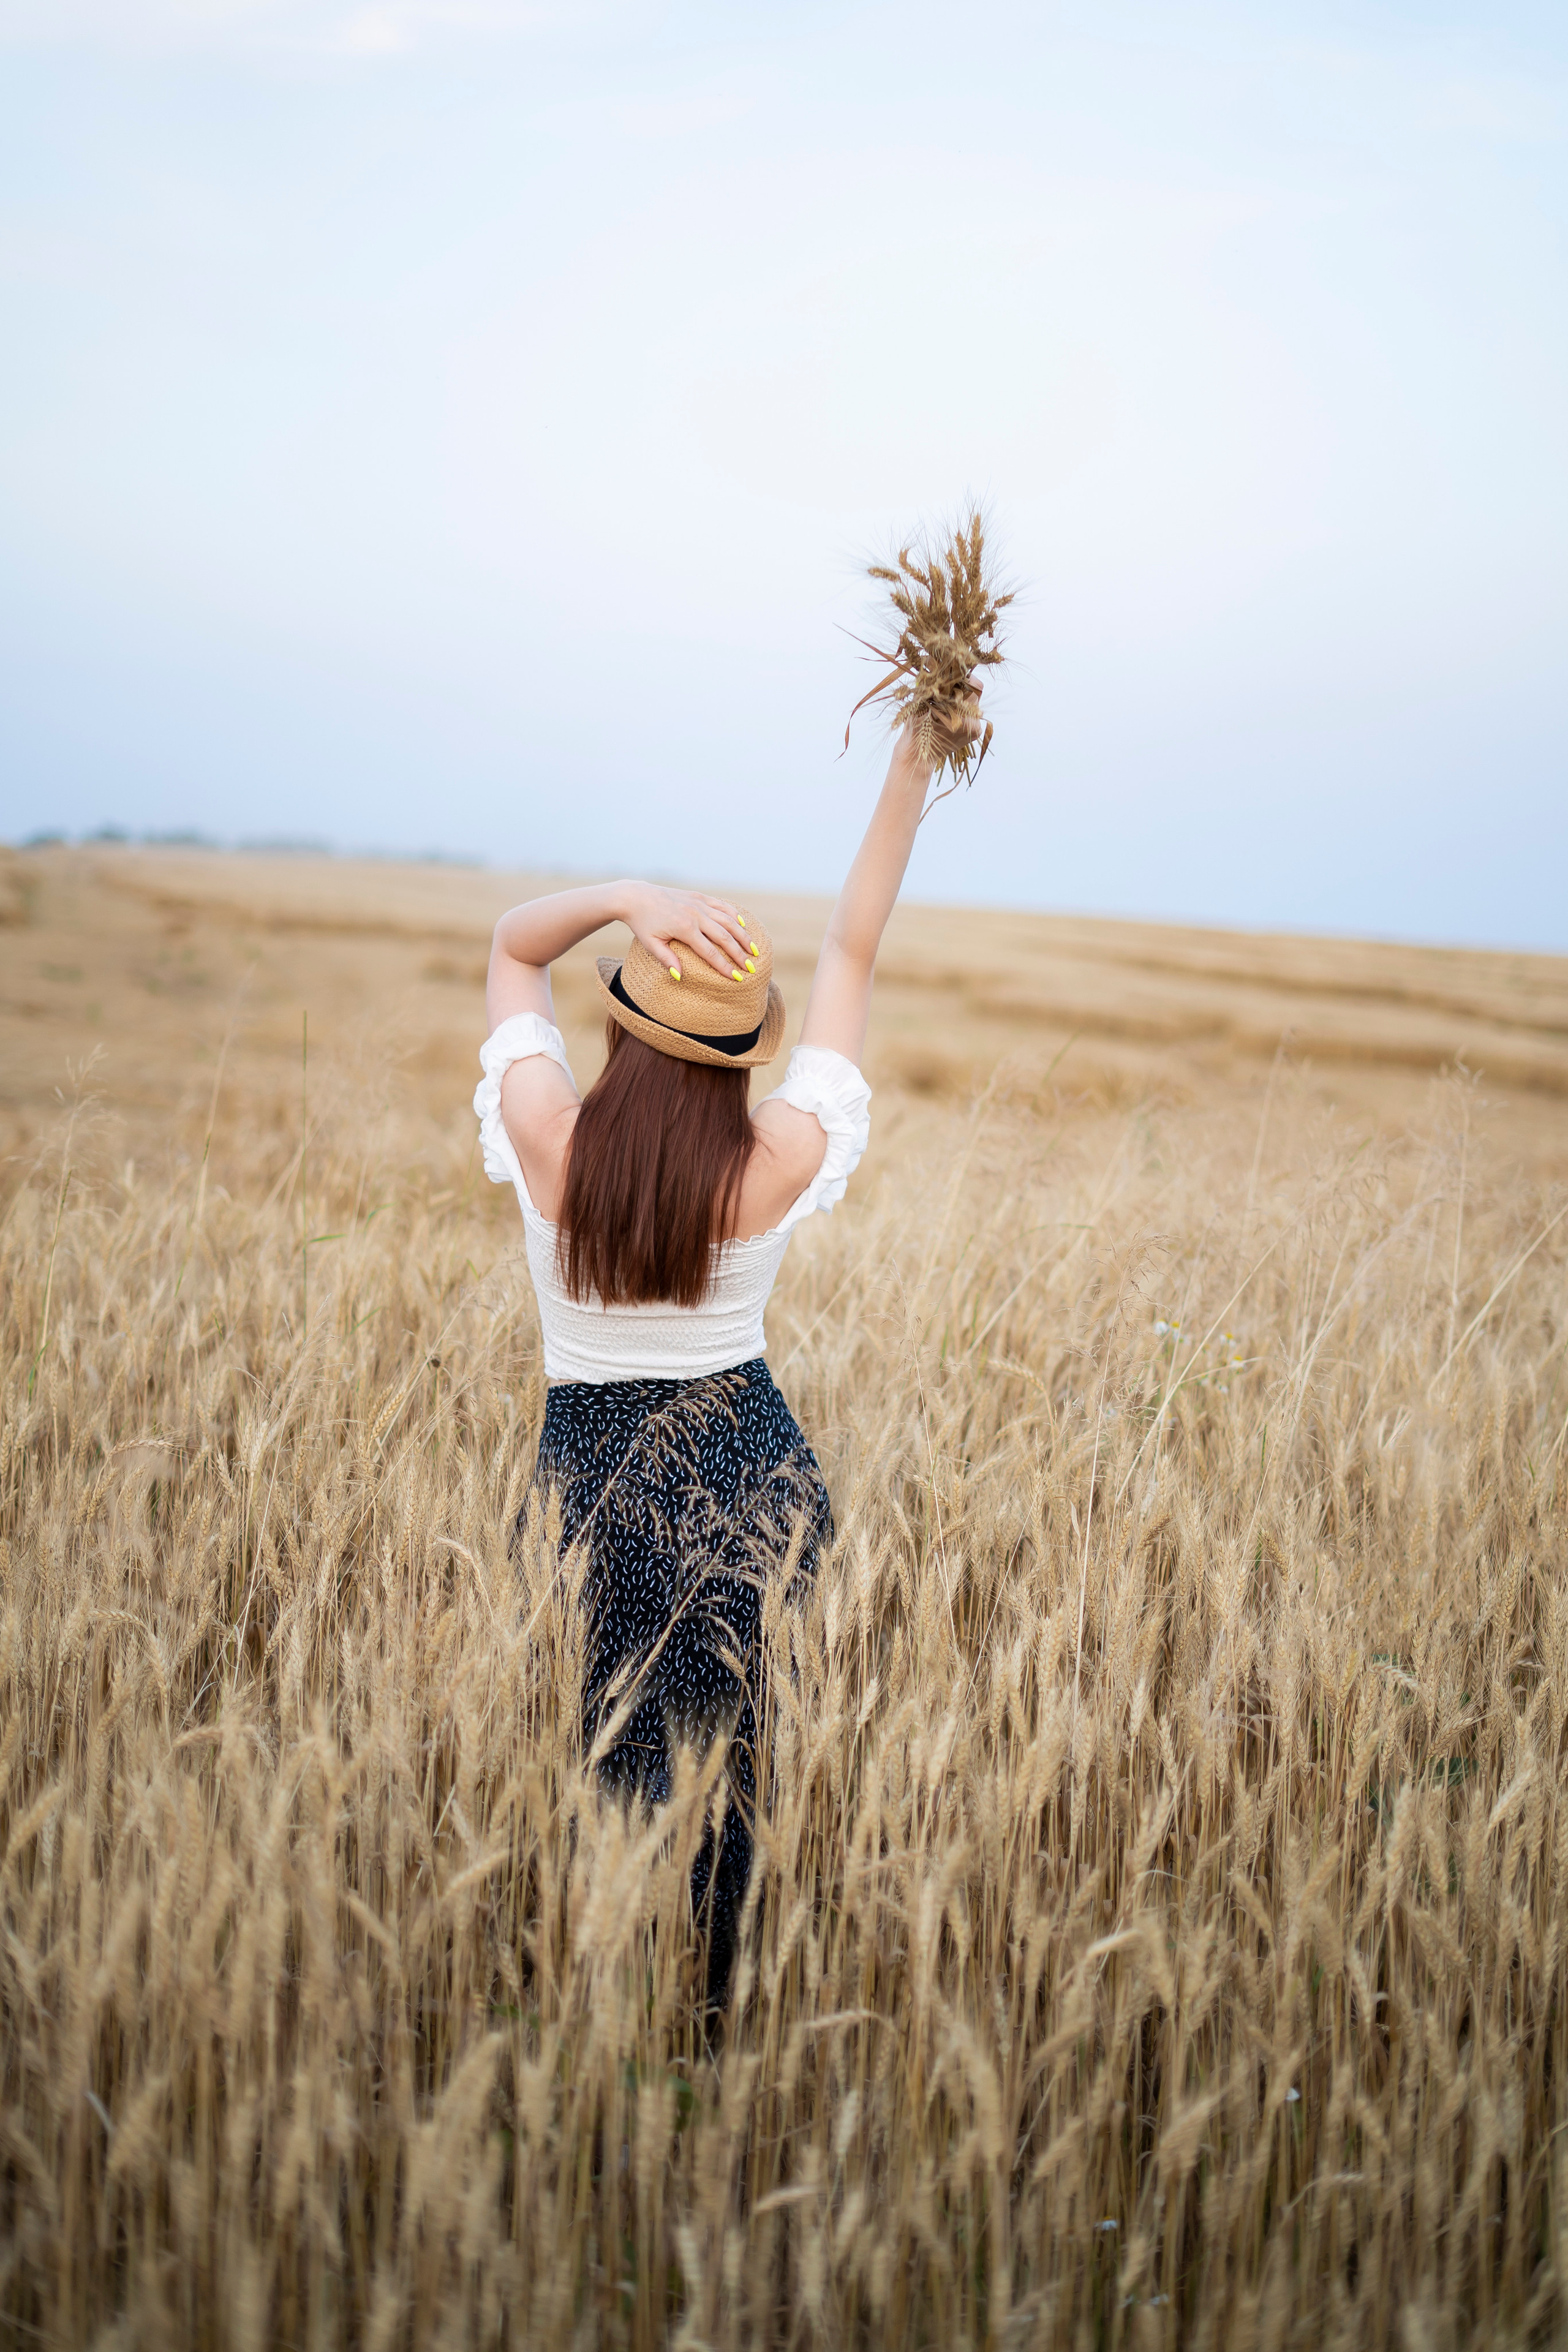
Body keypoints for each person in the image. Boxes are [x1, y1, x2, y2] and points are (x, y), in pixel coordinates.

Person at [473, 692, 981, 2005]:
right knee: (737, 1773)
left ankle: (605, 2002)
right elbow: (852, 951)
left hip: (589, 1471)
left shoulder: (547, 1137)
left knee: (603, 1755)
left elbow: (509, 950)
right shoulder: (776, 1159)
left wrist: (629, 895)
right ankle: (721, 2008)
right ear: (736, 1054)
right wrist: (912, 761)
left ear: (626, 1029)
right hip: (749, 1462)